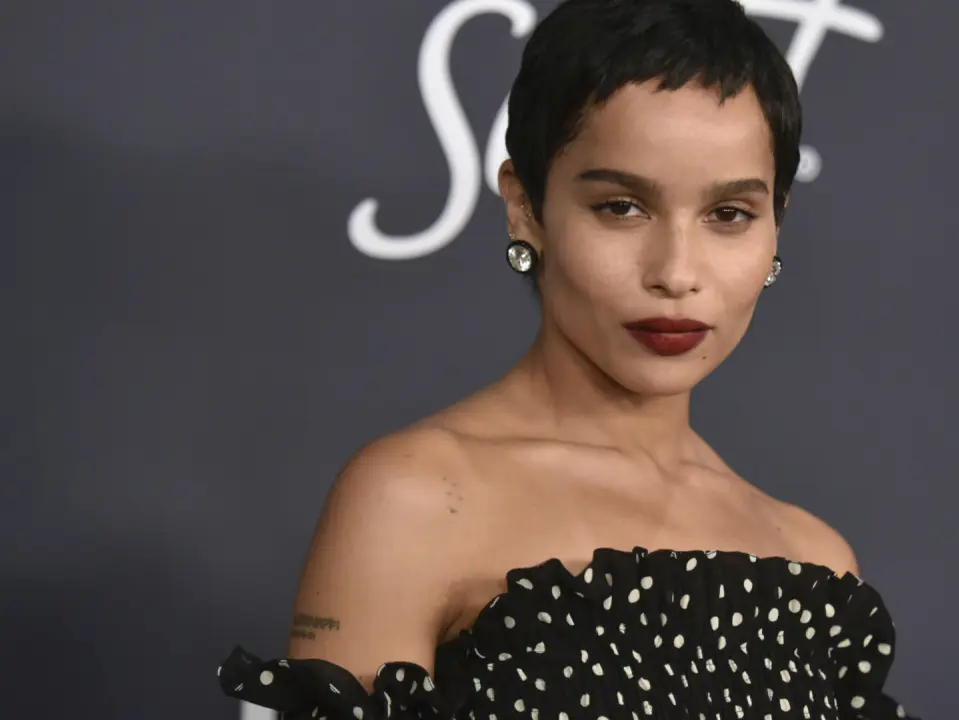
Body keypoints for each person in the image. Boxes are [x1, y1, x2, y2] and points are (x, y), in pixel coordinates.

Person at [217, 0, 918, 717]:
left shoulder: (814, 566)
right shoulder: (415, 500)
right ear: (526, 207)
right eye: (621, 207)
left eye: (729, 215)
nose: (677, 273)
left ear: (776, 225)